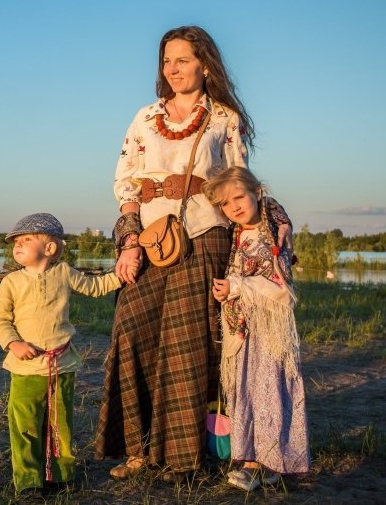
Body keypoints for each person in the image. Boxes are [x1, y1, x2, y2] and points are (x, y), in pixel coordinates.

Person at [95, 25, 289, 482]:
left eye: (182, 60)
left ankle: (182, 459)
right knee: (130, 329)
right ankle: (139, 449)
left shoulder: (223, 118)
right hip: (151, 239)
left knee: (185, 347)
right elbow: (126, 182)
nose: (173, 69)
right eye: (166, 61)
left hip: (205, 236)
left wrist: (273, 223)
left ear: (204, 64)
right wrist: (128, 241)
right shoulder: (145, 118)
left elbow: (240, 179)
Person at [0, 213, 121, 494]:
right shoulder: (11, 282)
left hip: (62, 365)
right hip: (25, 369)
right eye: (15, 241)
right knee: (25, 426)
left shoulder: (64, 274)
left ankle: (60, 476)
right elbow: (0, 320)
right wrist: (13, 343)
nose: (18, 245)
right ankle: (28, 480)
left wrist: (121, 274)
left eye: (26, 239)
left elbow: (95, 287)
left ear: (49, 249)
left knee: (60, 425)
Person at [206, 167, 309, 491]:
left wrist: (236, 285)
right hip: (244, 331)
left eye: (239, 197)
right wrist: (226, 291)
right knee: (245, 392)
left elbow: (281, 287)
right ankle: (259, 461)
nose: (234, 206)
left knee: (267, 392)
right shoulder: (237, 236)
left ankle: (261, 462)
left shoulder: (273, 234)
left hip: (268, 333)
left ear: (257, 193)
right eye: (225, 203)